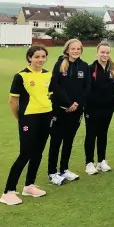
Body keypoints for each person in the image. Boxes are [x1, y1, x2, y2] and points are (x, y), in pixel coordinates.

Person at [1, 46, 54, 206]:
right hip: (29, 118)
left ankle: (29, 185)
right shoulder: (21, 76)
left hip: (46, 116)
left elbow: (49, 95)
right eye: (36, 56)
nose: (40, 59)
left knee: (38, 152)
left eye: (43, 56)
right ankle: (8, 192)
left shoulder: (48, 74)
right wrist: (21, 118)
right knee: (25, 153)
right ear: (29, 58)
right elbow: (12, 101)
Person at [48, 39, 91, 185]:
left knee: (69, 141)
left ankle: (64, 169)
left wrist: (76, 104)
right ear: (67, 49)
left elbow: (86, 88)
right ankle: (52, 173)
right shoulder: (60, 64)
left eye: (78, 49)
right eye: (73, 48)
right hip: (60, 110)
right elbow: (55, 85)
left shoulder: (84, 66)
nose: (76, 51)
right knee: (56, 141)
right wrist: (67, 103)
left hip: (76, 110)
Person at [84, 42, 114, 175]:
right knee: (91, 134)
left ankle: (101, 161)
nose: (105, 55)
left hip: (108, 106)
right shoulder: (90, 68)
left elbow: (112, 85)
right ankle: (89, 163)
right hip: (92, 107)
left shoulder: (113, 69)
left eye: (107, 52)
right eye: (102, 52)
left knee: (103, 133)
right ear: (97, 52)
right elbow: (87, 88)